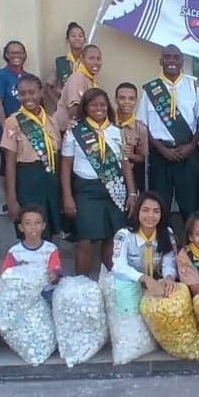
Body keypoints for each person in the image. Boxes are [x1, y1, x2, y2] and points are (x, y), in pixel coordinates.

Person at [61, 88, 137, 275]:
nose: (98, 108)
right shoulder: (75, 132)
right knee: (85, 240)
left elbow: (125, 164)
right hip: (86, 190)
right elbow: (65, 166)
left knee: (112, 239)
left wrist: (132, 193)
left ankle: (110, 284)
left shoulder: (117, 131)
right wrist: (67, 197)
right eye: (93, 104)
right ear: (85, 107)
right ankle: (81, 288)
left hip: (114, 189)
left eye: (102, 104)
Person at [137, 44, 199, 219]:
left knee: (190, 205)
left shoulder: (194, 86)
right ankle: (162, 243)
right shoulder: (150, 89)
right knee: (160, 204)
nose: (171, 61)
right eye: (167, 57)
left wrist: (190, 146)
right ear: (160, 61)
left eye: (175, 57)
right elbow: (144, 126)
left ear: (182, 61)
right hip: (160, 155)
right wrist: (161, 149)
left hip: (188, 153)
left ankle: (190, 244)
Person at [1, 74, 61, 237]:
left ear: (41, 92)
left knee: (47, 231)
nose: (27, 97)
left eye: (32, 92)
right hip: (27, 181)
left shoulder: (51, 121)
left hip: (50, 181)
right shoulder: (13, 122)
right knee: (30, 232)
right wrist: (11, 198)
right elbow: (10, 162)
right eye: (23, 93)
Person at [112, 191, 177, 297]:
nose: (150, 216)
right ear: (137, 212)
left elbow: (169, 263)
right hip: (130, 285)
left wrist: (169, 277)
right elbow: (119, 266)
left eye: (156, 211)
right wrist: (144, 278)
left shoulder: (167, 234)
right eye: (145, 210)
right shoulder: (124, 235)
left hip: (157, 284)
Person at [0, 41, 30, 198]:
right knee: (6, 164)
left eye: (20, 52)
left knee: (20, 162)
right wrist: (5, 127)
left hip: (25, 127)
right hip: (7, 127)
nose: (16, 56)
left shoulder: (27, 76)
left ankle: (19, 193)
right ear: (6, 55)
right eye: (12, 53)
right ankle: (8, 197)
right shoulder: (1, 75)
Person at [0, 205, 62, 285]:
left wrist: (53, 276)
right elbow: (5, 275)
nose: (33, 227)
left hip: (46, 292)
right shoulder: (14, 252)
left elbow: (56, 274)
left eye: (37, 222)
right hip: (23, 292)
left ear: (43, 226)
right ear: (21, 227)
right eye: (28, 223)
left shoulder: (51, 249)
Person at [55, 44, 102, 131]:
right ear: (82, 59)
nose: (95, 62)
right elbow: (74, 110)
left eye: (98, 59)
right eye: (91, 58)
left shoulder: (91, 80)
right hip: (67, 130)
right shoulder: (78, 79)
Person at [115, 82, 149, 193]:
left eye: (131, 98)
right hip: (107, 174)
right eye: (122, 98)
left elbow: (144, 159)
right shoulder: (106, 122)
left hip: (130, 176)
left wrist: (131, 156)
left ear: (136, 101)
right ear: (115, 100)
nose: (127, 102)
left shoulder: (140, 128)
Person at [45, 22, 86, 112]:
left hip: (85, 105)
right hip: (64, 105)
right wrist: (58, 103)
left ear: (84, 39)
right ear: (67, 39)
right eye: (73, 36)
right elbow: (48, 87)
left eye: (80, 35)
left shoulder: (88, 61)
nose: (77, 38)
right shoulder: (60, 62)